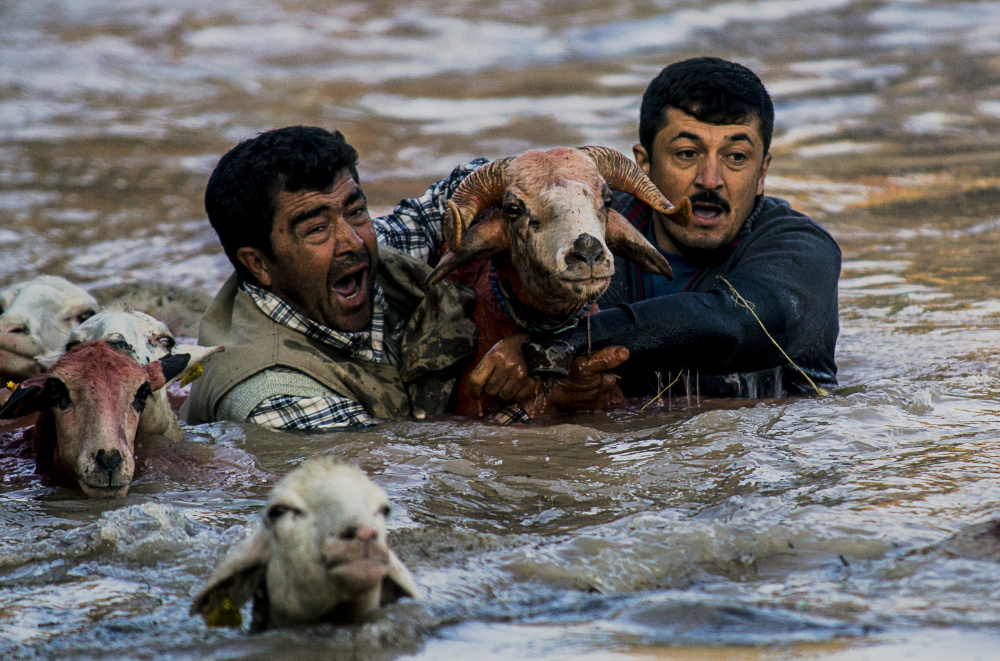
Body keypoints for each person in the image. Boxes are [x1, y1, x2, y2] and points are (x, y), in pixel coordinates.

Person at [554, 56, 842, 399]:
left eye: (736, 156)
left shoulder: (804, 250)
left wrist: (561, 346)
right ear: (643, 166)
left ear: (762, 173)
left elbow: (734, 324)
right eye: (688, 153)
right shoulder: (585, 235)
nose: (711, 180)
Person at [182, 126, 486, 429]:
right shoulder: (274, 398)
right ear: (258, 263)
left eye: (355, 210)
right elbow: (396, 467)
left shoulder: (357, 254)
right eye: (317, 229)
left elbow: (466, 187)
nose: (353, 241)